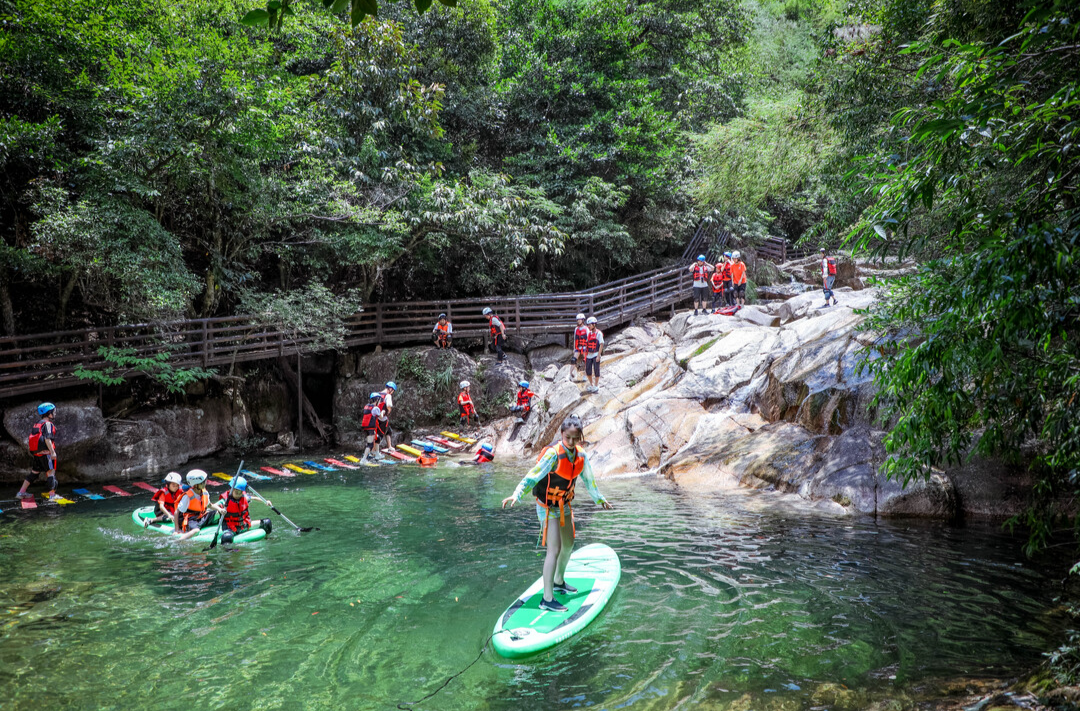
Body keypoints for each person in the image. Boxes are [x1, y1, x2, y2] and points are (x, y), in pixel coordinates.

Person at [501, 415, 612, 613]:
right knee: (554, 548)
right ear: (562, 434)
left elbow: (589, 480)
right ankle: (547, 598)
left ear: (580, 438)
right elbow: (533, 476)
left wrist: (600, 499)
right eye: (567, 437)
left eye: (575, 438)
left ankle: (559, 581)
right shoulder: (553, 455)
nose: (571, 442)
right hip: (547, 506)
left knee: (568, 545)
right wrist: (516, 494)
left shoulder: (581, 456)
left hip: (564, 504)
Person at [16, 402, 59, 502]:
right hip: (46, 454)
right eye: (53, 412)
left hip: (37, 454)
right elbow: (48, 439)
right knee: (51, 472)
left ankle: (21, 492)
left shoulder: (37, 424)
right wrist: (52, 452)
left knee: (34, 473)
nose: (55, 413)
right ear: (49, 413)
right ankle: (52, 495)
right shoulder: (48, 424)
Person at [217, 477, 273, 544]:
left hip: (245, 526)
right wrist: (220, 509)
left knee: (267, 522)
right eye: (236, 492)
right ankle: (230, 552)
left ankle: (267, 538)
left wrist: (265, 501)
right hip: (231, 528)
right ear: (231, 490)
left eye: (240, 493)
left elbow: (254, 498)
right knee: (227, 537)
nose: (238, 495)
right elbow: (212, 506)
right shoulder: (225, 500)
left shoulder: (244, 497)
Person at [173, 470, 225, 541]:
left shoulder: (205, 492)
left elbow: (209, 505)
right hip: (191, 520)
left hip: (202, 516)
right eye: (203, 482)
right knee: (196, 531)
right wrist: (176, 529)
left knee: (218, 513)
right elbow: (177, 512)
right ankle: (178, 540)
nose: (205, 483)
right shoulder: (188, 496)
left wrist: (220, 510)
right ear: (196, 485)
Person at [360, 392, 388, 463]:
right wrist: (383, 412)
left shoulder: (366, 406)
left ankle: (376, 454)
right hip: (370, 429)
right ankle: (363, 459)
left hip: (366, 428)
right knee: (370, 444)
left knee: (374, 440)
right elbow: (381, 417)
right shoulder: (376, 408)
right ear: (377, 400)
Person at [583, 317, 604, 393]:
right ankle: (591, 385)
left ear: (594, 324)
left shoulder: (599, 333)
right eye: (588, 325)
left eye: (590, 325)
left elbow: (601, 344)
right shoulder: (589, 333)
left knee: (596, 370)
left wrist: (599, 355)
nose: (588, 326)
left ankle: (596, 385)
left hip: (595, 354)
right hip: (589, 355)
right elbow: (587, 343)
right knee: (588, 371)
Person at [571, 313, 589, 383]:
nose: (578, 321)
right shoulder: (576, 329)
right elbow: (575, 339)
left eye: (579, 320)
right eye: (577, 320)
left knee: (586, 361)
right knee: (573, 360)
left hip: (585, 347)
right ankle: (570, 375)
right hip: (578, 347)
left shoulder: (586, 329)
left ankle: (585, 375)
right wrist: (574, 348)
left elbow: (588, 339)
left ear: (582, 320)